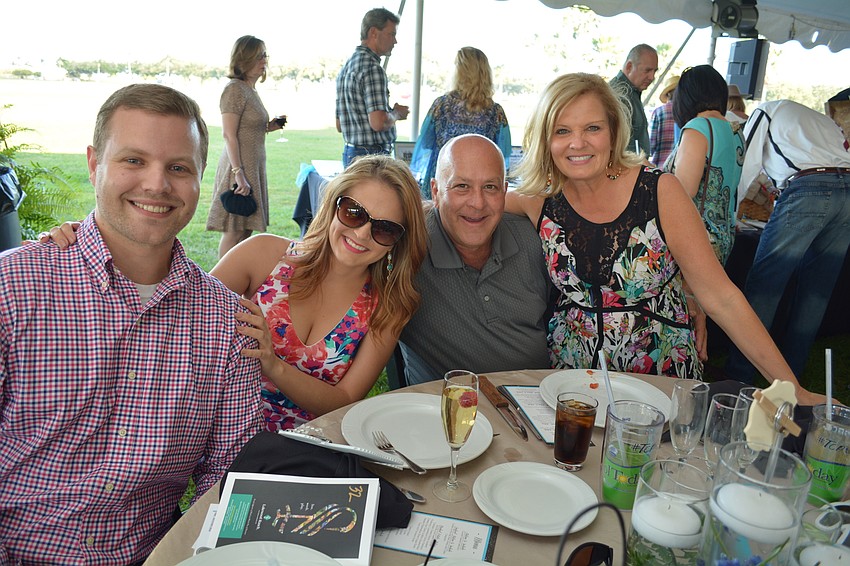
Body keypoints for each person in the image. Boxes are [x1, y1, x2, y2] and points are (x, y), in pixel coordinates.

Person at [0, 84, 262, 564]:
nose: (157, 185)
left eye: (179, 168)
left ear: (203, 177)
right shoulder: (13, 289)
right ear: (94, 163)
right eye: (134, 161)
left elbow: (229, 473)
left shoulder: (228, 321)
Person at [504, 72, 825, 405]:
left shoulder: (659, 190)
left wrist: (790, 388)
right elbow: (476, 201)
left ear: (614, 133)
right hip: (570, 379)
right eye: (562, 131)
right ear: (546, 138)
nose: (578, 143)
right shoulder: (539, 197)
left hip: (658, 378)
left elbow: (722, 298)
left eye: (593, 128)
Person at [212, 155, 428, 430]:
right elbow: (188, 317)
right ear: (333, 204)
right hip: (227, 434)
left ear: (398, 242)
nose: (362, 234)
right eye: (354, 213)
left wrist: (273, 364)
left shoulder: (387, 306)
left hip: (309, 450)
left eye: (384, 229)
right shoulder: (262, 255)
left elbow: (344, 399)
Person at [399, 134, 551, 385]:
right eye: (462, 186)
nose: (477, 203)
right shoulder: (409, 251)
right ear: (436, 192)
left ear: (504, 191)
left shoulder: (532, 241)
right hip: (448, 413)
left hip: (538, 405)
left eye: (490, 187)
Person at [725, 99, 850, 385]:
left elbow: (746, 164)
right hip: (847, 191)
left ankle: (738, 374)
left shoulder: (765, 111)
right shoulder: (812, 118)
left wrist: (729, 217)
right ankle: (790, 378)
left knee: (765, 286)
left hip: (809, 189)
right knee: (816, 293)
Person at [206, 35, 285, 258]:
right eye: (260, 56)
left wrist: (271, 126)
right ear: (245, 58)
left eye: (265, 55)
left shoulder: (250, 90)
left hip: (251, 167)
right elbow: (229, 134)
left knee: (246, 228)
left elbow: (249, 129)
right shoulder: (234, 89)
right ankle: (222, 283)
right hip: (238, 167)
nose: (264, 60)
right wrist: (238, 174)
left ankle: (235, 279)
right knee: (234, 231)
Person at [664, 65, 744, 266]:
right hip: (724, 235)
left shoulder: (698, 127)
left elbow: (683, 191)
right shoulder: (735, 131)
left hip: (695, 237)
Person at [409, 47, 512, 198]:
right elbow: (504, 154)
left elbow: (425, 143)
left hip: (444, 182)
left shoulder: (441, 105)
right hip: (479, 188)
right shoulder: (495, 112)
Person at [336, 8, 410, 167]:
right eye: (391, 34)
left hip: (350, 153)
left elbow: (339, 125)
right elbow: (378, 123)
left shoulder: (346, 68)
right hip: (372, 157)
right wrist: (397, 113)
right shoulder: (373, 69)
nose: (395, 41)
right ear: (374, 32)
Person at [609, 44, 658, 156]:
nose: (652, 77)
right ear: (629, 66)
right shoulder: (620, 95)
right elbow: (623, 151)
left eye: (654, 71)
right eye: (647, 70)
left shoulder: (631, 94)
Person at [648, 74, 679, 168]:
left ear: (668, 94)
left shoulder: (658, 112)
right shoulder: (687, 113)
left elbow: (651, 144)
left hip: (660, 166)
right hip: (679, 166)